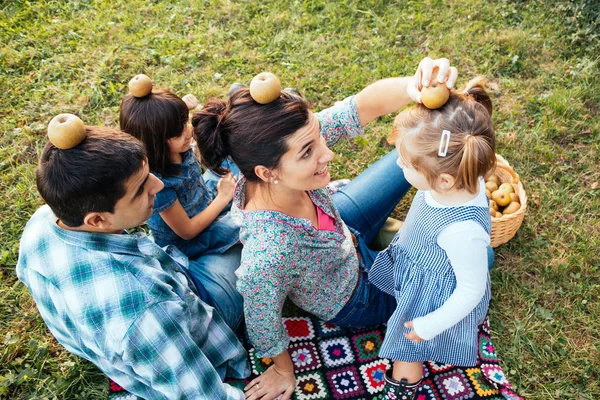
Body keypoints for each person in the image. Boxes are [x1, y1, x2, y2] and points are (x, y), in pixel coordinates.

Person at [192, 57, 459, 400]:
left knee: (416, 153)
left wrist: (415, 87)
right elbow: (261, 319)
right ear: (266, 172)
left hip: (345, 225)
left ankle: (389, 237)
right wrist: (282, 369)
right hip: (356, 294)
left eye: (319, 138)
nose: (328, 153)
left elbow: (363, 105)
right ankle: (397, 248)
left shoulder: (288, 141)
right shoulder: (270, 251)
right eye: (309, 152)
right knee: (462, 269)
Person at [15, 124, 249, 399]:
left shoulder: (42, 223)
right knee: (249, 236)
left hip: (166, 289)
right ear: (98, 220)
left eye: (148, 172)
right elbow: (205, 395)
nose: (158, 185)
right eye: (140, 189)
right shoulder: (144, 308)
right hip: (199, 317)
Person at [368, 78, 496, 399]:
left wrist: (428, 326)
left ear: (443, 179)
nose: (398, 164)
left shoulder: (462, 232)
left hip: (432, 300)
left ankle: (403, 385)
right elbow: (453, 130)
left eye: (406, 163)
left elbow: (470, 289)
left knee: (405, 347)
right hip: (419, 265)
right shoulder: (456, 176)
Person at [119, 82, 241, 260]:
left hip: (204, 200)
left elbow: (165, 123)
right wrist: (222, 198)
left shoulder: (175, 147)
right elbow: (187, 232)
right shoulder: (160, 184)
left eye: (185, 123)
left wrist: (181, 107)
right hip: (190, 242)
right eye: (178, 133)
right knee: (249, 222)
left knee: (238, 175)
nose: (188, 133)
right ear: (155, 143)